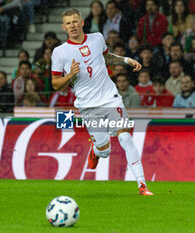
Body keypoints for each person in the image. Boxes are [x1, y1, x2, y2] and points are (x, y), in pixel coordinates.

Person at [51, 8, 152, 195]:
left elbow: (106, 57)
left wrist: (126, 60)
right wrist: (70, 75)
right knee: (105, 150)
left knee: (125, 137)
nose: (72, 26)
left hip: (110, 98)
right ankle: (95, 150)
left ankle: (142, 184)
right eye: (68, 23)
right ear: (63, 27)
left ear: (82, 22)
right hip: (88, 106)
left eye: (75, 21)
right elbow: (56, 83)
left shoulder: (97, 38)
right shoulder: (60, 52)